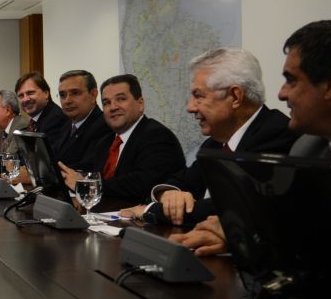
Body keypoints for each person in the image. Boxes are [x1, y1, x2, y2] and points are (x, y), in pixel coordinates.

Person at [179, 19, 331, 285]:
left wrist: (238, 233)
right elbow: (286, 217)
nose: (280, 94)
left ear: (330, 87)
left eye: (291, 80)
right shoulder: (309, 143)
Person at [123, 48, 296, 225]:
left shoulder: (276, 134)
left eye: (198, 96)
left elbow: (231, 208)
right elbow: (179, 181)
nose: (190, 107)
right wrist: (168, 193)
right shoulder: (214, 144)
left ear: (235, 97)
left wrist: (148, 210)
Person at [58, 74, 184, 203]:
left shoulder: (157, 136)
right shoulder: (107, 140)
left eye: (121, 99)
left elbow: (140, 185)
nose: (113, 107)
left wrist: (85, 185)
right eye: (106, 103)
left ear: (140, 104)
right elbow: (85, 169)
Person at [54, 69, 113, 170]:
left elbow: (87, 168)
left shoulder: (104, 125)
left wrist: (43, 174)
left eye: (75, 93)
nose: (67, 101)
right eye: (63, 95)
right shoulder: (66, 124)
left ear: (93, 95)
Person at [15, 72, 69, 152]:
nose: (25, 99)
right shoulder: (34, 121)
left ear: (46, 94)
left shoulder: (55, 119)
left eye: (30, 93)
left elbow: (45, 159)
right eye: (21, 96)